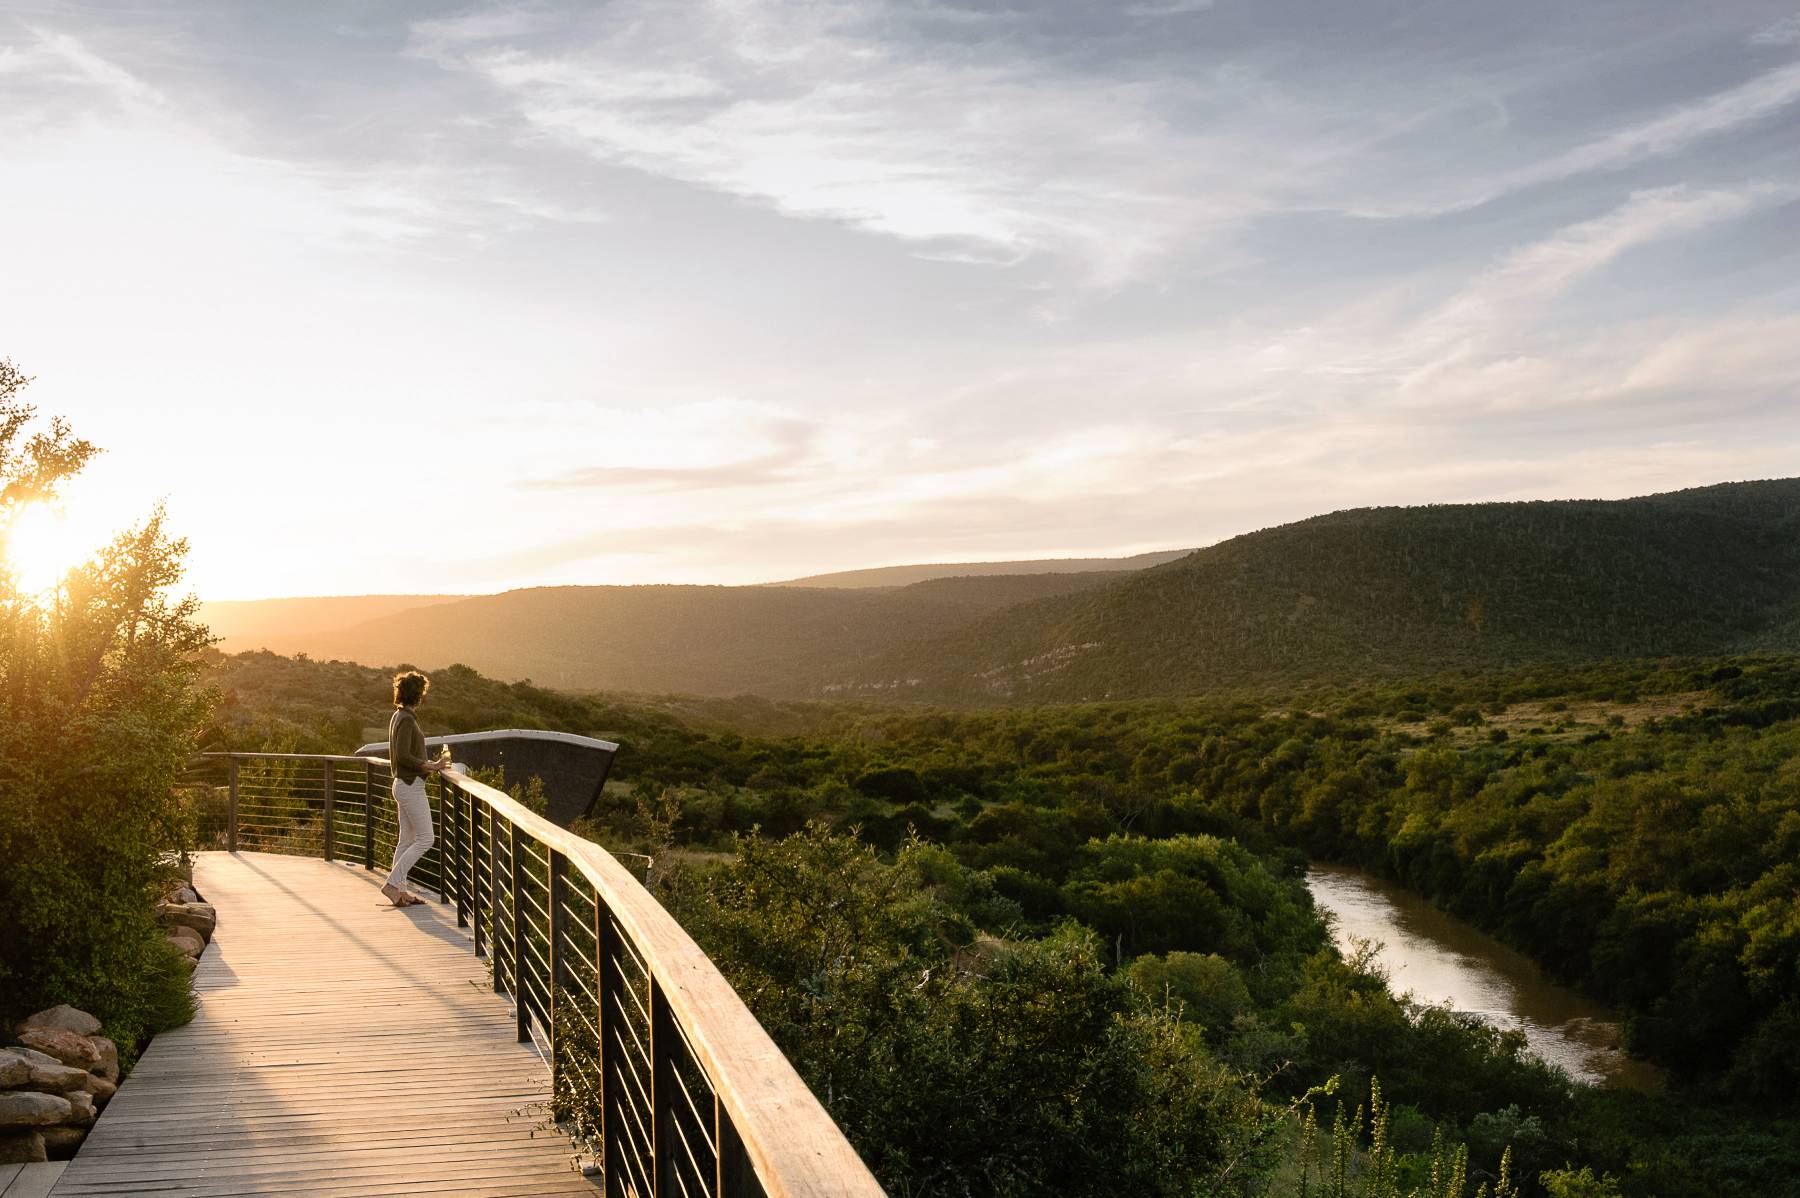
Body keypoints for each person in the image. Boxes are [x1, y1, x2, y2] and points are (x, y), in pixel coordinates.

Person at [384, 669, 447, 907]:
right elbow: (402, 755)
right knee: (426, 839)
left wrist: (427, 764)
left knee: (406, 841)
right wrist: (431, 765)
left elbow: (402, 754)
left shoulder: (397, 716)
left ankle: (400, 892)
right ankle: (392, 884)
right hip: (410, 786)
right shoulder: (407, 719)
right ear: (417, 695)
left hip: (403, 784)